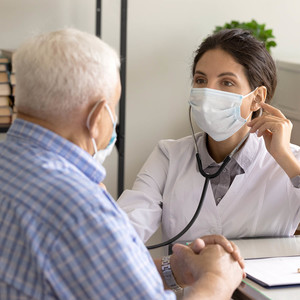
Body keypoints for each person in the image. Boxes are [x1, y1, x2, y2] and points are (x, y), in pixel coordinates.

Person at [0, 28, 244, 299]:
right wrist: (217, 280)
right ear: (97, 116)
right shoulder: (81, 209)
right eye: (114, 106)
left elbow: (95, 273)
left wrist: (174, 269)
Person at [118, 28, 300, 244]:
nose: (207, 93)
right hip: (184, 279)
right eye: (201, 80)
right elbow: (123, 232)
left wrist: (285, 158)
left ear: (257, 98)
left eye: (227, 82)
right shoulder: (168, 155)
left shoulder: (292, 161)